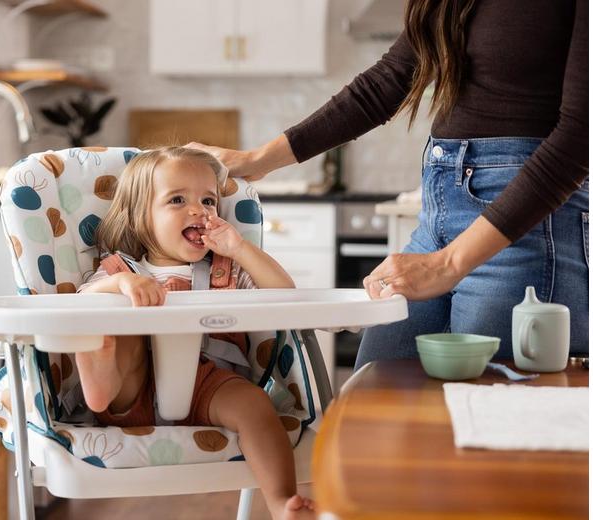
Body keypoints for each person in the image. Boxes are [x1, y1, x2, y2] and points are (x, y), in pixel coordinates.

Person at [189, 0, 588, 369]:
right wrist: (258, 160)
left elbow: (578, 140)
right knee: (374, 394)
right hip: (439, 216)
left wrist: (449, 264)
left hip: (523, 231)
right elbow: (386, 83)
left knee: (488, 417)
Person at [75, 146, 315, 520]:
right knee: (114, 327)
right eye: (177, 200)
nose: (199, 210)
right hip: (134, 386)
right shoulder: (120, 269)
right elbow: (78, 303)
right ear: (141, 216)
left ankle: (283, 501)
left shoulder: (226, 271)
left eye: (208, 200)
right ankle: (101, 375)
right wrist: (121, 284)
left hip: (211, 382)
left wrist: (240, 249)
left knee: (256, 407)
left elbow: (286, 296)